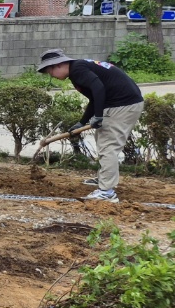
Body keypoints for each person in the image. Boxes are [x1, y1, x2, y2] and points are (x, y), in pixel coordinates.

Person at [37, 49, 144, 202]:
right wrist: (82, 122)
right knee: (102, 140)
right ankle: (104, 178)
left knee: (108, 146)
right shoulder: (78, 69)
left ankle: (107, 192)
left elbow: (98, 88)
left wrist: (98, 115)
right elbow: (95, 97)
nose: (51, 75)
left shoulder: (78, 70)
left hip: (123, 104)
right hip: (121, 103)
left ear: (58, 65)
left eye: (50, 71)